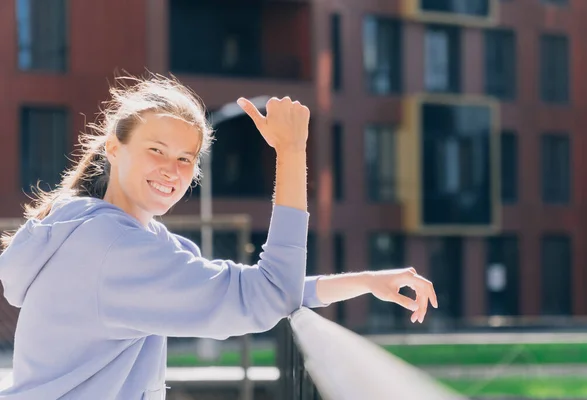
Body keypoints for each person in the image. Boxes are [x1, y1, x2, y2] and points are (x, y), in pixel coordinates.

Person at [0, 74, 437, 400]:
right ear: (114, 148)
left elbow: (257, 289)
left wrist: (363, 281)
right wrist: (291, 151)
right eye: (156, 150)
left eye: (186, 158)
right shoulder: (114, 248)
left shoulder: (104, 232)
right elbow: (265, 297)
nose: (172, 170)